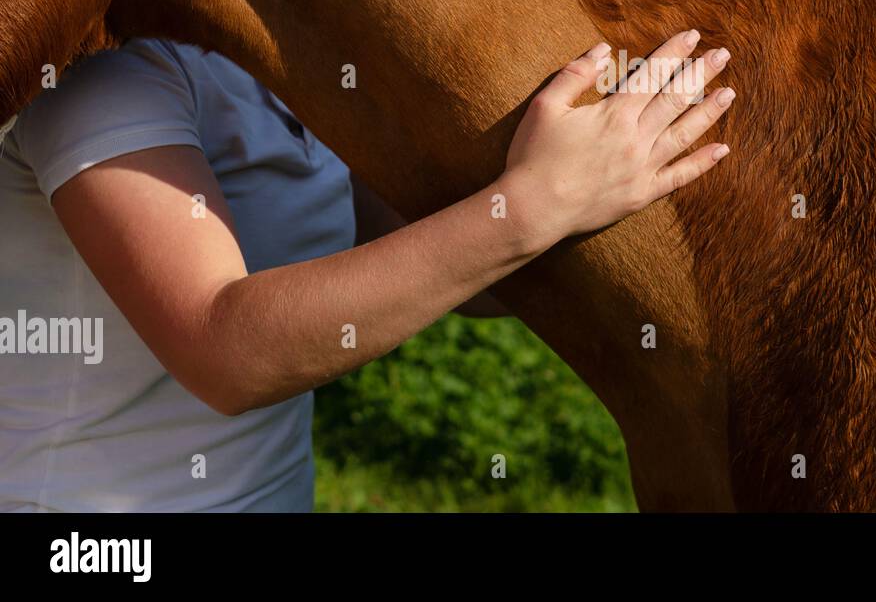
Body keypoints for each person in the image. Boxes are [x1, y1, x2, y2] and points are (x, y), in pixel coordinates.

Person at [0, 30, 734, 511]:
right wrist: (536, 204)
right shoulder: (98, 79)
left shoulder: (258, 45)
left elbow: (393, 250)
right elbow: (220, 348)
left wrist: (611, 204)